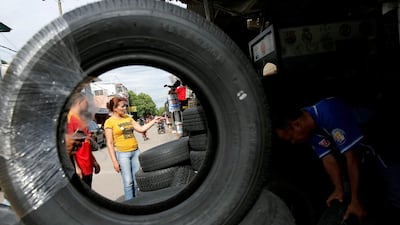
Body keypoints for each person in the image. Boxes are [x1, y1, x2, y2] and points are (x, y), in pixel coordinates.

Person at [273, 96, 400, 224]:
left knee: (396, 191)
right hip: (364, 153)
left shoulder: (328, 112)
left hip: (381, 141)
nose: (293, 142)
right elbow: (328, 159)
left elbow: (351, 158)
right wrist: (338, 189)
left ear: (297, 125)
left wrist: (355, 201)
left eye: (291, 138)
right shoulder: (309, 130)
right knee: (372, 192)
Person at [104, 97, 161, 200]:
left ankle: (137, 203)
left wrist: (154, 121)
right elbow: (109, 143)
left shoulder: (128, 118)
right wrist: (114, 161)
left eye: (125, 106)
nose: (125, 108)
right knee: (128, 182)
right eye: (122, 106)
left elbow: (141, 129)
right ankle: (130, 205)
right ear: (115, 108)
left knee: (136, 181)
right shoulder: (109, 122)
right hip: (122, 154)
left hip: (135, 152)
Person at [67, 92, 101, 188]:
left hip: (87, 165)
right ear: (80, 102)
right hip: (80, 168)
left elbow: (87, 143)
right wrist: (76, 168)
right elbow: (70, 147)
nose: (87, 105)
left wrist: (93, 161)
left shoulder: (81, 120)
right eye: (86, 102)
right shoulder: (69, 120)